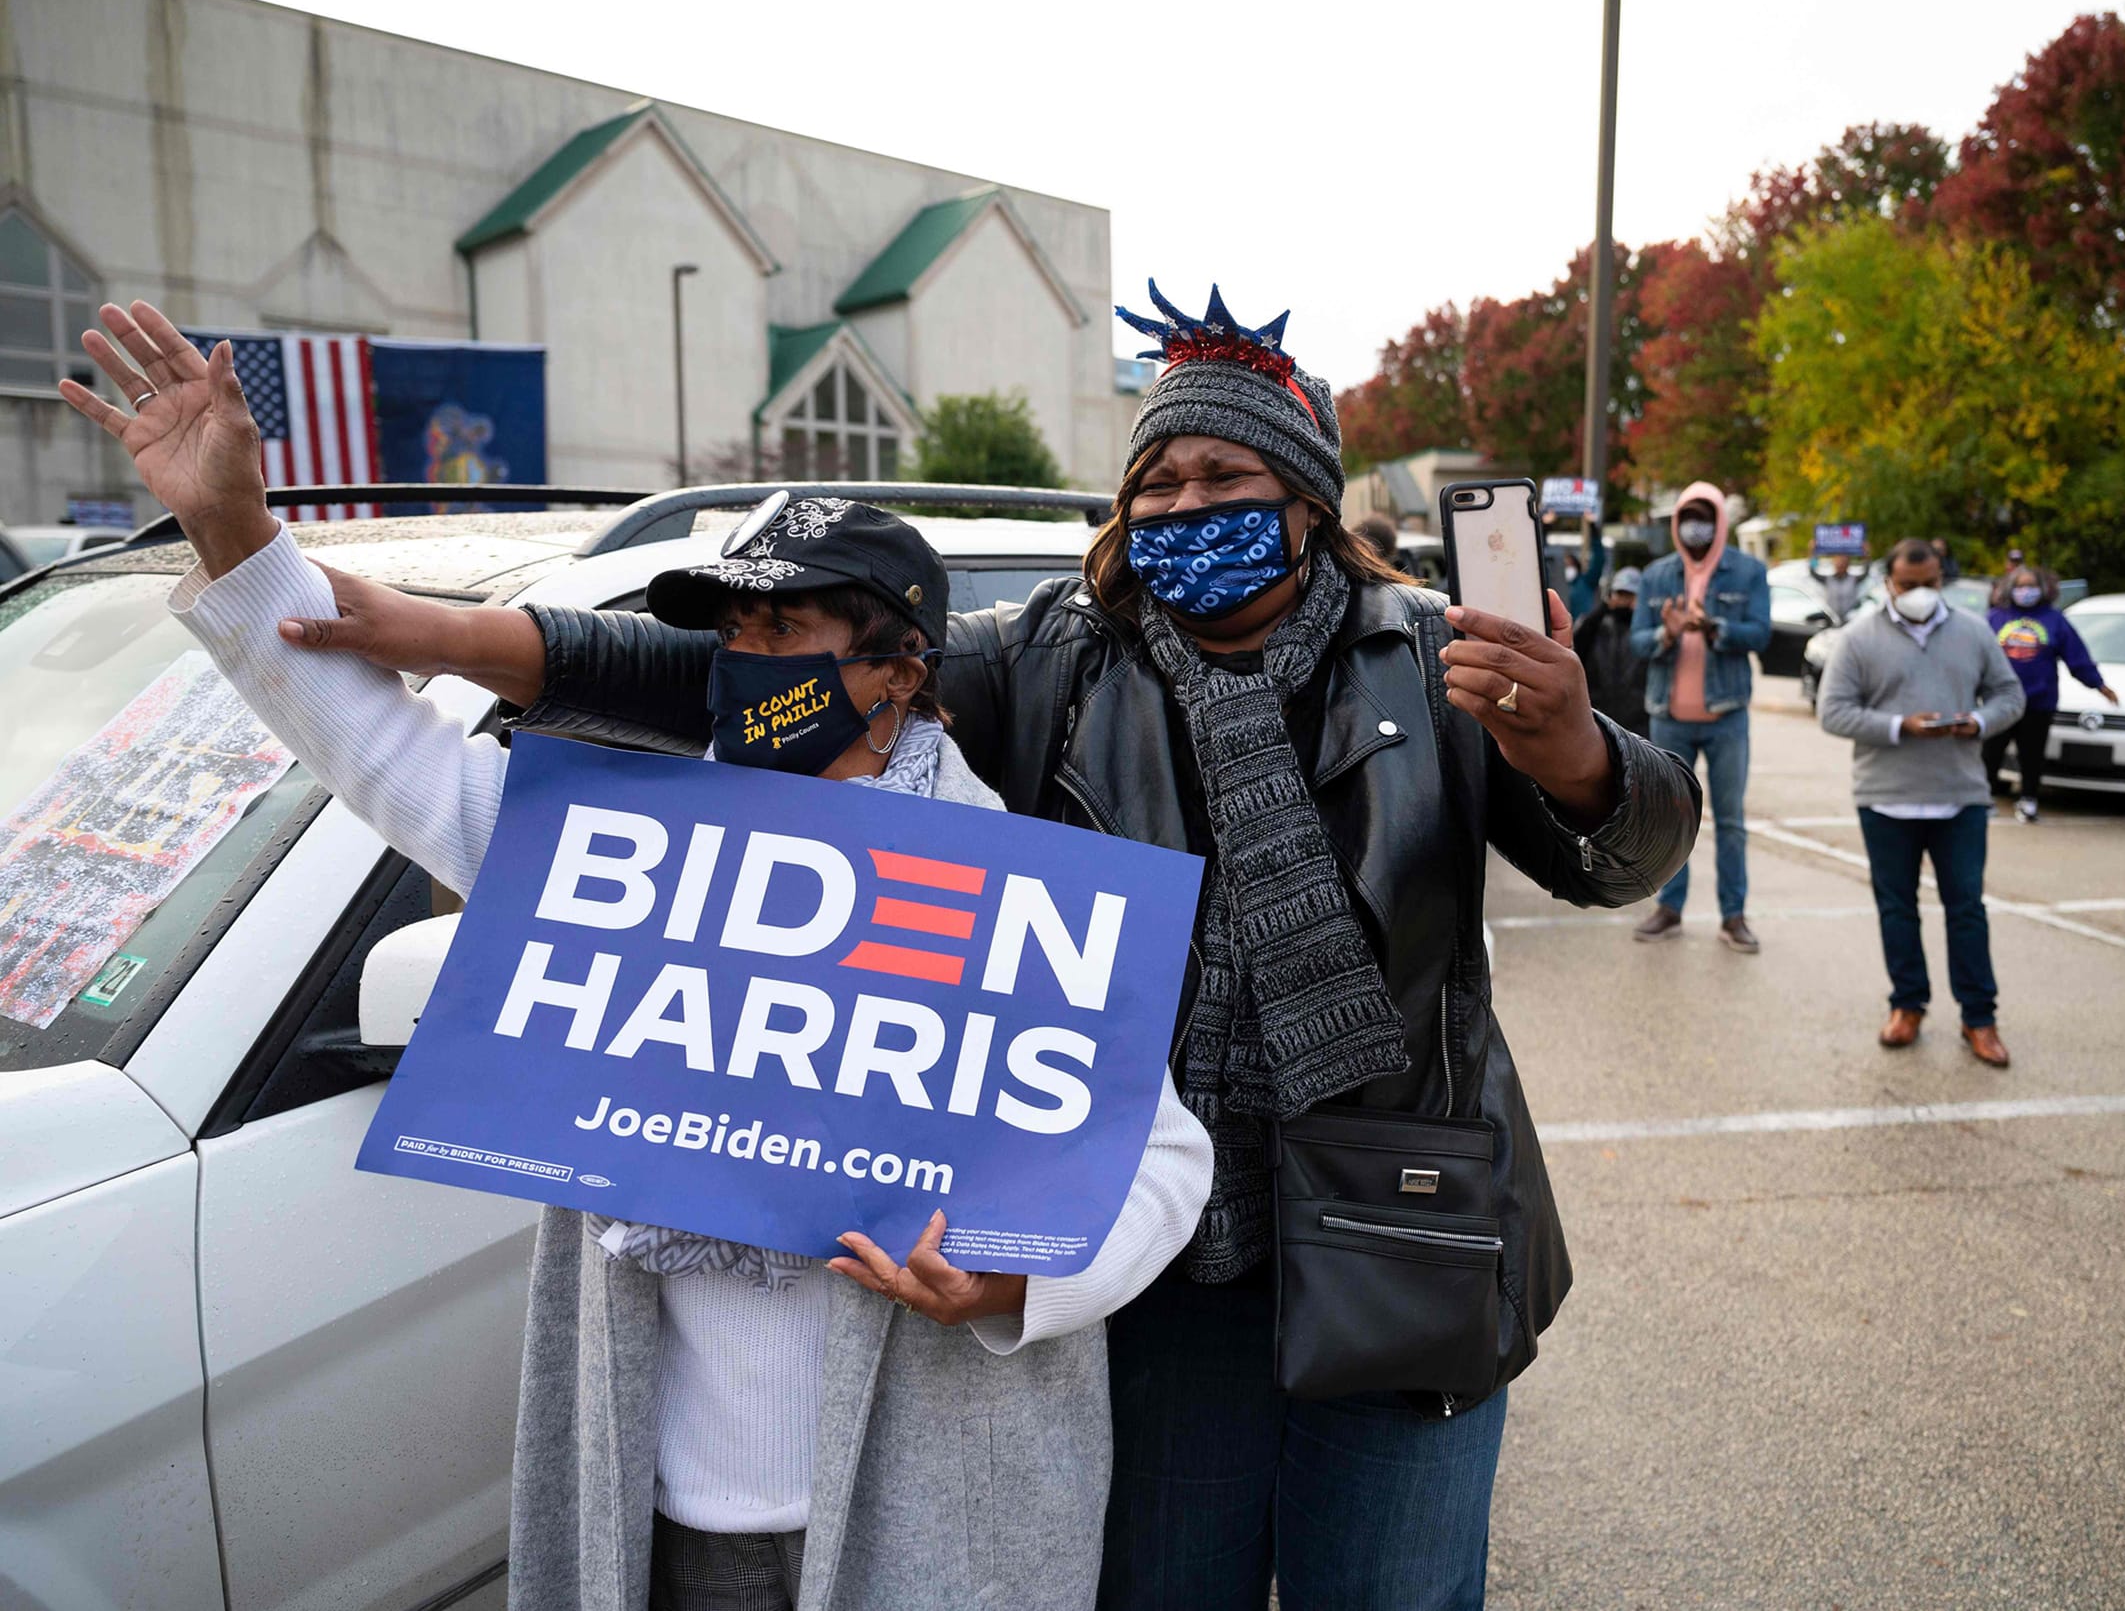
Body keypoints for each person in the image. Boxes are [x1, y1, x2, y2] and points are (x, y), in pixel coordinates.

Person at [236, 281, 1701, 1609]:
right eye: (1160, 478)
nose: (1188, 504)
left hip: (1404, 1237)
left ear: (1307, 498)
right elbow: (760, 686)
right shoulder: (1057, 654)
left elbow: (1628, 852)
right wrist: (447, 633)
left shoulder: (1440, 652)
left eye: (1227, 476)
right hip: (1170, 1265)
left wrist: (1567, 738)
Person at [58, 303, 1215, 1611]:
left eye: (789, 634)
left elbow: (1166, 1160)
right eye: (733, 634)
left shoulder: (1009, 890)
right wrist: (231, 530)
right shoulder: (626, 861)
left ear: (897, 669)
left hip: (920, 1519)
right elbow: (387, 757)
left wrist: (1019, 1274)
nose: (746, 663)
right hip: (669, 1514)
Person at [1815, 539, 2025, 1065]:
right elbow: (1833, 711)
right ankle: (1907, 1005)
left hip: (1961, 797)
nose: (1921, 594)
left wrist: (1976, 722)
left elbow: (2010, 696)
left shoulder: (1973, 631)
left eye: (1930, 584)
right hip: (1886, 799)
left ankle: (1980, 1018)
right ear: (1888, 583)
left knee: (1967, 910)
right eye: (1909, 586)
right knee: (1897, 909)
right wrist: (1897, 726)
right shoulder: (1859, 637)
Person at [1630, 482, 1772, 953]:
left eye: (1704, 516)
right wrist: (1666, 636)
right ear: (1675, 522)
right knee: (1673, 819)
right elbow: (1637, 641)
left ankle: (1734, 916)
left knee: (1729, 820)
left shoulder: (1747, 571)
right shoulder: (1656, 575)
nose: (1696, 525)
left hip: (1726, 715)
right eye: (1687, 516)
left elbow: (1760, 633)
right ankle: (1670, 908)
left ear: (1719, 521)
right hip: (1669, 714)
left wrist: (1716, 627)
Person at [1983, 563, 2117, 821]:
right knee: (1990, 754)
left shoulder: (2054, 620)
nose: (2025, 591)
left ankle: (2029, 800)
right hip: (1999, 701)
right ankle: (1984, 799)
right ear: (2010, 588)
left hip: (2038, 701)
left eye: (2031, 586)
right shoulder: (1995, 618)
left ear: (2042, 589)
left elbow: (2077, 658)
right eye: (2020, 586)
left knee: (2031, 756)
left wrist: (2098, 685)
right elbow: (1974, 658)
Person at [1574, 566, 1647, 730]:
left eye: (1630, 595)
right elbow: (1576, 644)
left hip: (1640, 719)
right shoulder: (1596, 625)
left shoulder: (1645, 629)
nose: (1624, 600)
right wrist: (1603, 608)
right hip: (1601, 716)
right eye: (1621, 594)